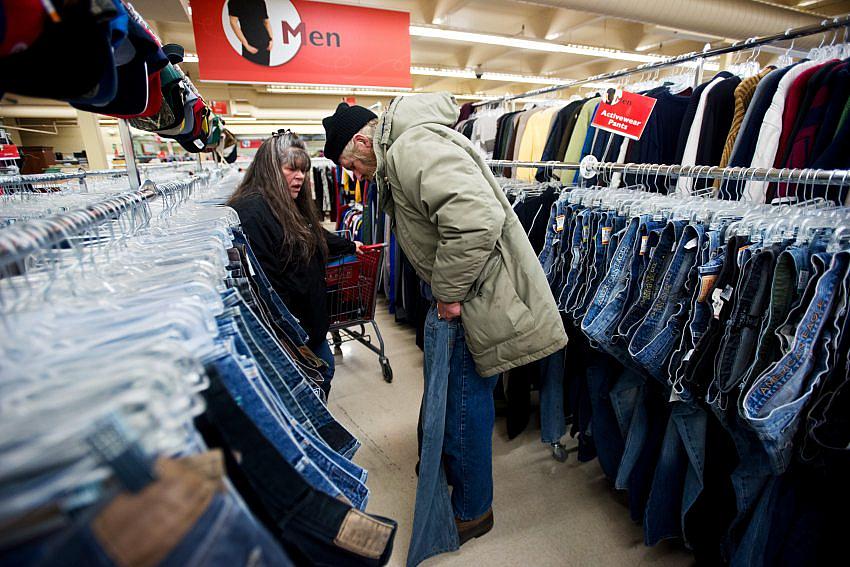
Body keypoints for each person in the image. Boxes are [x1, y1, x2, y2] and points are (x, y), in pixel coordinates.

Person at [322, 95, 567, 562]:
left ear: (361, 141)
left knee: (463, 403)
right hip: (474, 294)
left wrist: (449, 293)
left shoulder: (413, 148)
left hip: (474, 299)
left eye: (351, 166)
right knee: (459, 397)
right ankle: (457, 481)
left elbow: (474, 220)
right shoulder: (407, 150)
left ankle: (473, 510)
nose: (356, 177)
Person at [228, 131, 362, 396]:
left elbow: (314, 234)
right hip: (290, 334)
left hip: (306, 329)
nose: (300, 176)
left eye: (304, 170)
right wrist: (290, 330)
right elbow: (264, 285)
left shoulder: (285, 205)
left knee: (323, 374)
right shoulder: (252, 211)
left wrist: (349, 245)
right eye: (291, 169)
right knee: (315, 384)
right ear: (270, 170)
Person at [227, 0, 272, 66]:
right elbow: (233, 23)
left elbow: (266, 22)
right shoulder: (234, 2)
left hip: (265, 43)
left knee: (263, 72)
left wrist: (271, 39)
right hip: (250, 43)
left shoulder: (260, 1)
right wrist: (246, 45)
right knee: (249, 72)